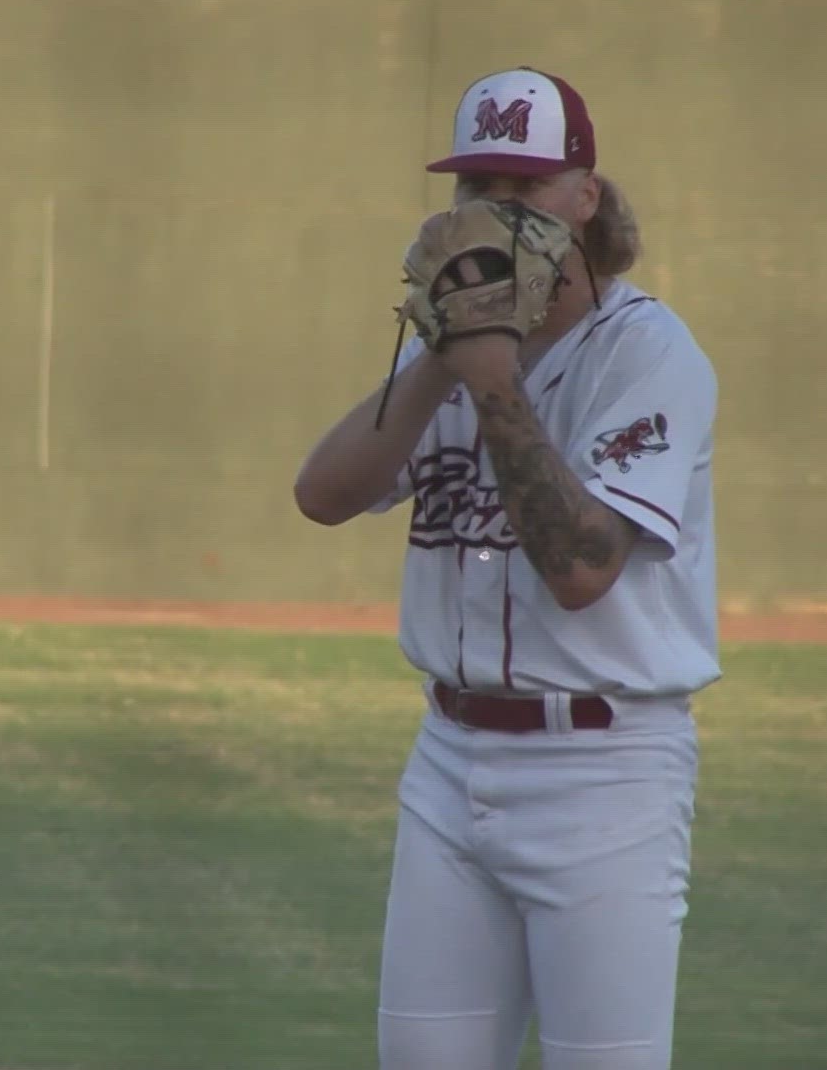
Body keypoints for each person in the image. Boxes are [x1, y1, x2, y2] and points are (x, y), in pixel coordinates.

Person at [292, 66, 721, 1070]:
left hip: (605, 768)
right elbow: (323, 495)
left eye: (523, 190)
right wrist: (446, 354)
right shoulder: (453, 354)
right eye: (475, 190)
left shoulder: (648, 354)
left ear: (585, 197)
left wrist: (487, 375)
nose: (495, 213)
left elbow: (580, 570)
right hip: (447, 763)